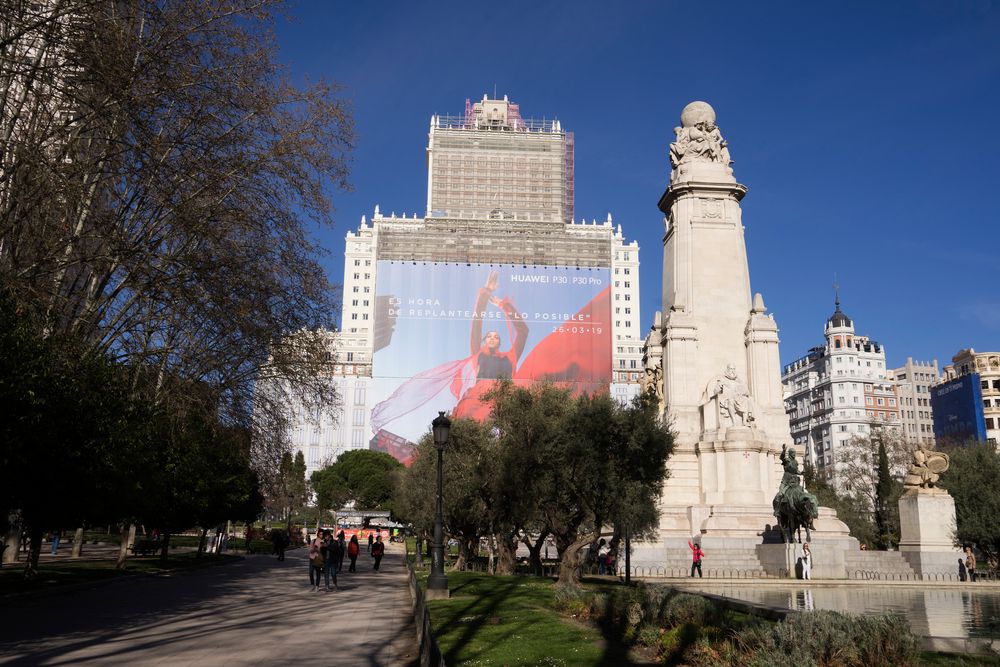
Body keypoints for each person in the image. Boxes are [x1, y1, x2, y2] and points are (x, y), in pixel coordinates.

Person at [469, 270, 529, 380]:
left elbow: (523, 331)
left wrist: (505, 306)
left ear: (499, 343)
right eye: (489, 336)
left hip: (504, 396)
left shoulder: (510, 357)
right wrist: (485, 293)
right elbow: (476, 324)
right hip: (479, 396)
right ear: (484, 341)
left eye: (496, 337)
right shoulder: (477, 354)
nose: (492, 338)